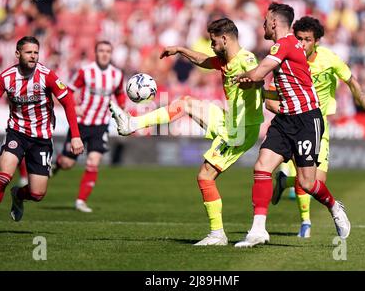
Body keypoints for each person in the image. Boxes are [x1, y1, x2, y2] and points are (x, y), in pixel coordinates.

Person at [110, 18, 264, 246]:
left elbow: (258, 77)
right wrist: (181, 50)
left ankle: (217, 234)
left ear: (225, 38)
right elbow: (203, 60)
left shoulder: (246, 58)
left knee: (205, 176)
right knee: (185, 102)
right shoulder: (224, 60)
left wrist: (249, 82)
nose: (210, 45)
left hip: (241, 128)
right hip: (229, 119)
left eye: (213, 41)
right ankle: (132, 124)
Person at [233, 3, 350, 248]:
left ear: (274, 22)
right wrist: (254, 82)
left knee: (307, 183)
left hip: (307, 119)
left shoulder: (285, 43)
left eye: (266, 20)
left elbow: (257, 74)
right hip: (285, 119)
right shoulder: (288, 45)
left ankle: (333, 205)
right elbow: (266, 80)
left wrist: (238, 76)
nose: (263, 25)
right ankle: (257, 230)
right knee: (262, 167)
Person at [268, 16, 365, 238]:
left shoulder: (329, 59)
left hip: (318, 124)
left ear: (317, 41)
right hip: (292, 122)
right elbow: (270, 96)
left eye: (307, 40)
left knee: (315, 182)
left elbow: (353, 84)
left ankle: (284, 181)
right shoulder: (286, 56)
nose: (302, 44)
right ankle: (305, 223)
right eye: (298, 38)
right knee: (290, 172)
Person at [0, 36, 84, 236]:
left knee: (37, 194)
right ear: (18, 54)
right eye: (29, 52)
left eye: (36, 52)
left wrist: (75, 135)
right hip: (17, 133)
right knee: (4, 175)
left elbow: (68, 102)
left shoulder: (47, 75)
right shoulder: (6, 77)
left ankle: (18, 194)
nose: (33, 56)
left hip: (41, 139)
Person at [50, 41, 126, 212]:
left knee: (93, 161)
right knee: (68, 163)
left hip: (101, 125)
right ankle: (57, 164)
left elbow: (120, 95)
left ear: (111, 53)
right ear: (96, 52)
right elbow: (68, 90)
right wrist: (74, 107)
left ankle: (81, 201)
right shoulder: (86, 71)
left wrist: (121, 109)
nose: (105, 54)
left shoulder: (117, 75)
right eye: (101, 50)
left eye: (108, 51)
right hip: (81, 124)